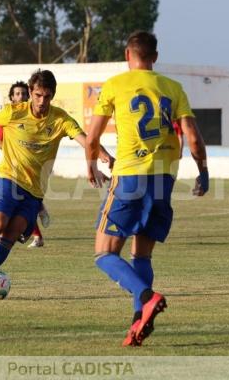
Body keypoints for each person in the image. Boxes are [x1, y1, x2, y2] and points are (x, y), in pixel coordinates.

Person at [0, 69, 113, 300]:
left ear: (52, 95)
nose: (42, 101)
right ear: (30, 92)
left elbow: (85, 139)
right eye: (37, 95)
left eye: (47, 96)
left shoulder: (61, 119)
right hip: (9, 177)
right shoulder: (13, 112)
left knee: (11, 235)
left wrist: (103, 156)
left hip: (34, 190)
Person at [85, 31, 209, 347]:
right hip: (163, 181)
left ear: (128, 55)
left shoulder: (114, 85)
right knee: (141, 254)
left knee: (103, 253)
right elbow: (192, 136)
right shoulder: (173, 88)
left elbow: (93, 137)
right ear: (155, 56)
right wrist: (203, 171)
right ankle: (138, 323)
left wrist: (90, 166)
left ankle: (146, 296)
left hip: (129, 176)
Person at [0, 81, 50, 248]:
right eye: (17, 94)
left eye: (24, 94)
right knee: (21, 204)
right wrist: (14, 149)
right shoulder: (7, 116)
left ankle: (38, 212)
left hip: (32, 167)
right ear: (11, 98)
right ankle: (37, 228)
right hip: (12, 167)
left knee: (22, 203)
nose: (21, 97)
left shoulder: (36, 116)